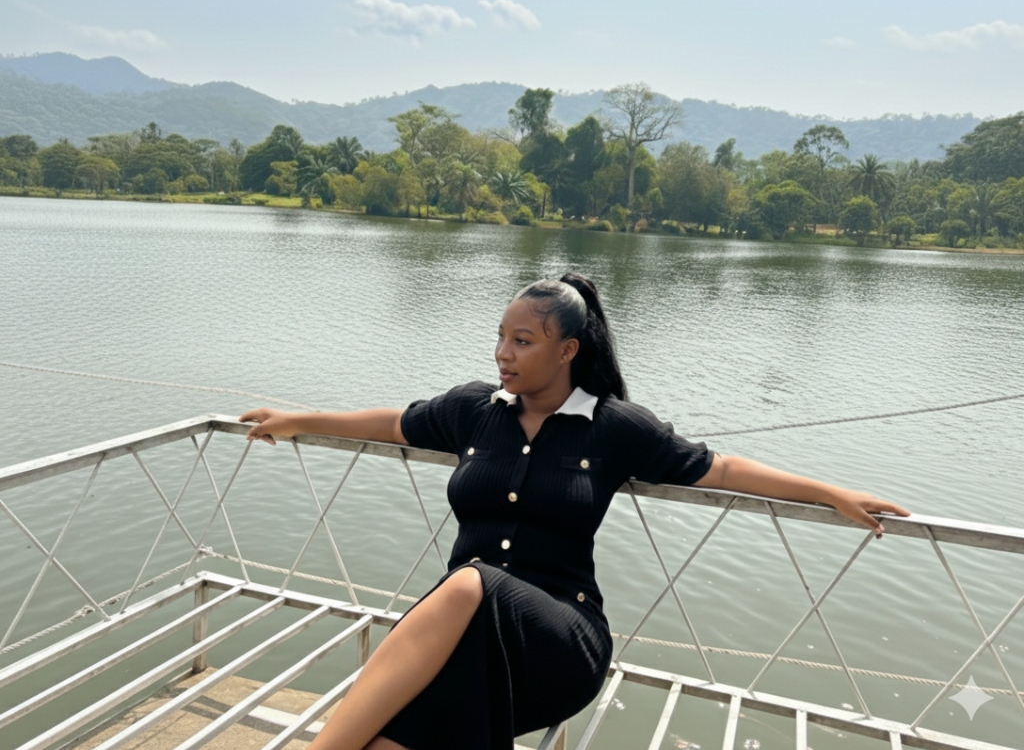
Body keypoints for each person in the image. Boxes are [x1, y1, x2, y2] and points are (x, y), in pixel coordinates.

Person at [241, 273, 909, 750]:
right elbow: (394, 422)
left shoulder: (614, 426)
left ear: (568, 350)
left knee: (469, 581)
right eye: (500, 337)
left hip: (561, 638)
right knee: (392, 738)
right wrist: (297, 417)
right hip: (469, 644)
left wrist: (831, 494)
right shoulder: (475, 410)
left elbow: (722, 469)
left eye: (523, 340)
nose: (503, 353)